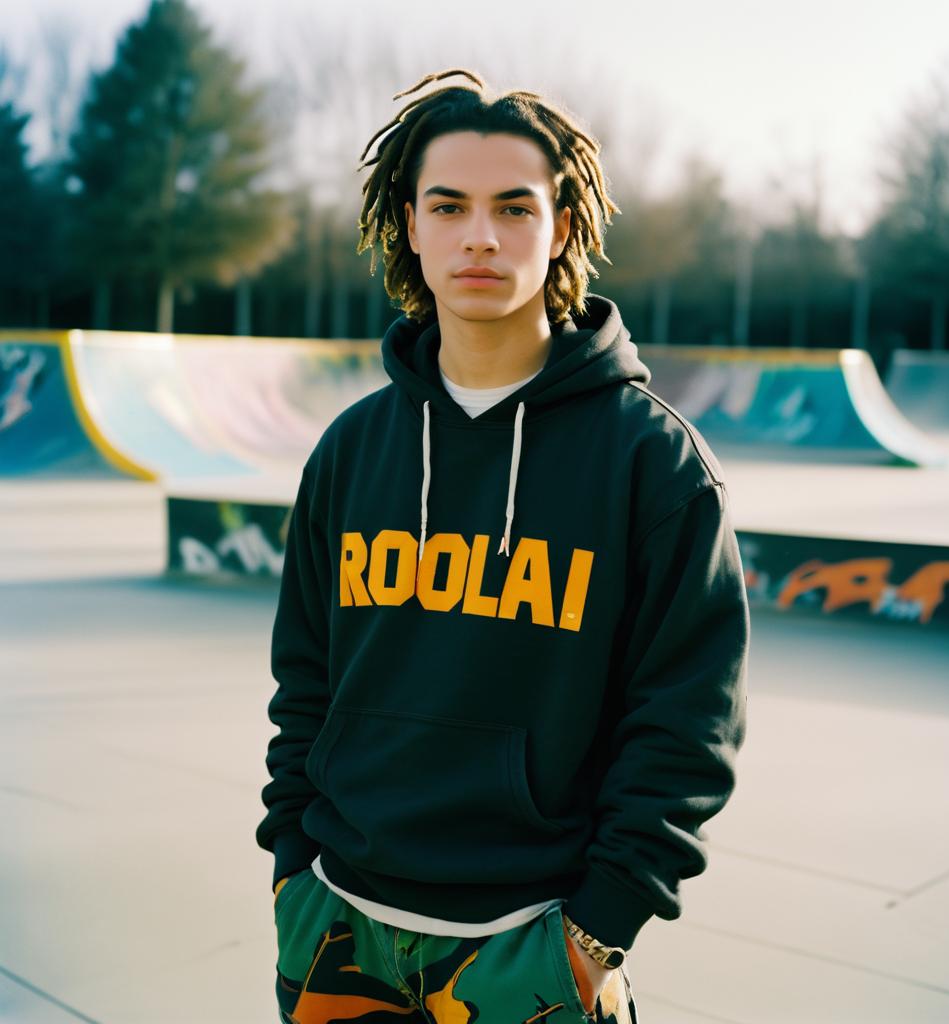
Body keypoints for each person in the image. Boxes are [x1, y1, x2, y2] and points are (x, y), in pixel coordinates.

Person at [255, 67, 749, 1024]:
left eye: (514, 207)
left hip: (535, 944)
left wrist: (601, 927)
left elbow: (690, 725)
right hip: (336, 928)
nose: (480, 235)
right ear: (408, 222)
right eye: (449, 204)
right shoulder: (351, 450)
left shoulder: (654, 464)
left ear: (561, 225)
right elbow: (303, 684)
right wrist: (290, 873)